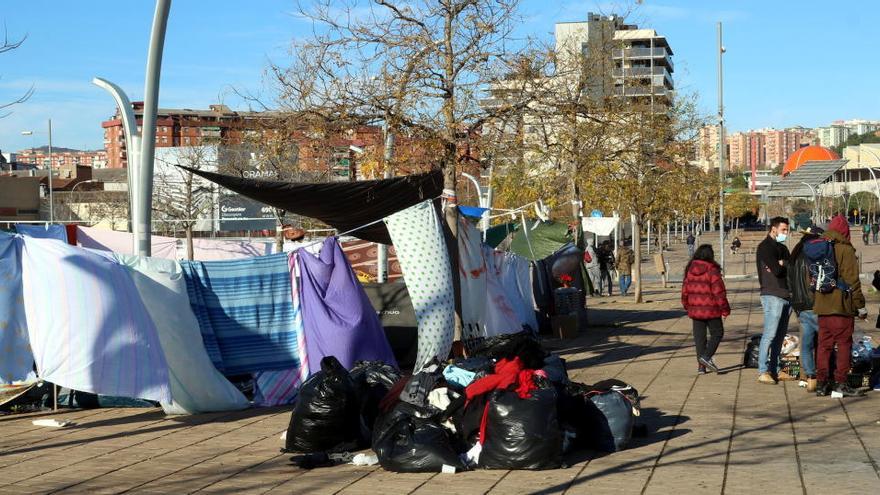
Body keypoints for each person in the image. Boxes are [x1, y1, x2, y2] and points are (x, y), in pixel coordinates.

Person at [813, 215, 867, 397]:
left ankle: (821, 384)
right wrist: (860, 305)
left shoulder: (820, 247)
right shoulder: (845, 249)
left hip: (822, 306)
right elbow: (853, 281)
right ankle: (840, 383)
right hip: (841, 306)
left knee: (823, 345)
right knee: (844, 344)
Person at [756, 216, 794, 385]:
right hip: (772, 294)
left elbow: (790, 267)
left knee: (780, 336)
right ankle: (763, 371)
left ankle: (776, 368)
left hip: (786, 295)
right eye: (783, 230)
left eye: (787, 230)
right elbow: (777, 271)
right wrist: (784, 265)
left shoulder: (783, 248)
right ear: (773, 229)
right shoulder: (765, 248)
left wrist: (784, 263)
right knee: (770, 334)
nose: (785, 233)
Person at [681, 244, 730, 374]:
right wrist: (725, 309)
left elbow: (684, 290)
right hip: (712, 309)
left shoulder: (690, 269)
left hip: (695, 310)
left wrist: (687, 306)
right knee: (717, 333)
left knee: (700, 339)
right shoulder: (712, 270)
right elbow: (719, 292)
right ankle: (706, 357)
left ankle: (701, 367)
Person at [786, 226, 823, 392]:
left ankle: (809, 377)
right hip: (816, 304)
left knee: (806, 343)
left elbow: (789, 281)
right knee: (823, 343)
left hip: (800, 306)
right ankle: (822, 376)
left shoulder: (795, 256)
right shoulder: (816, 256)